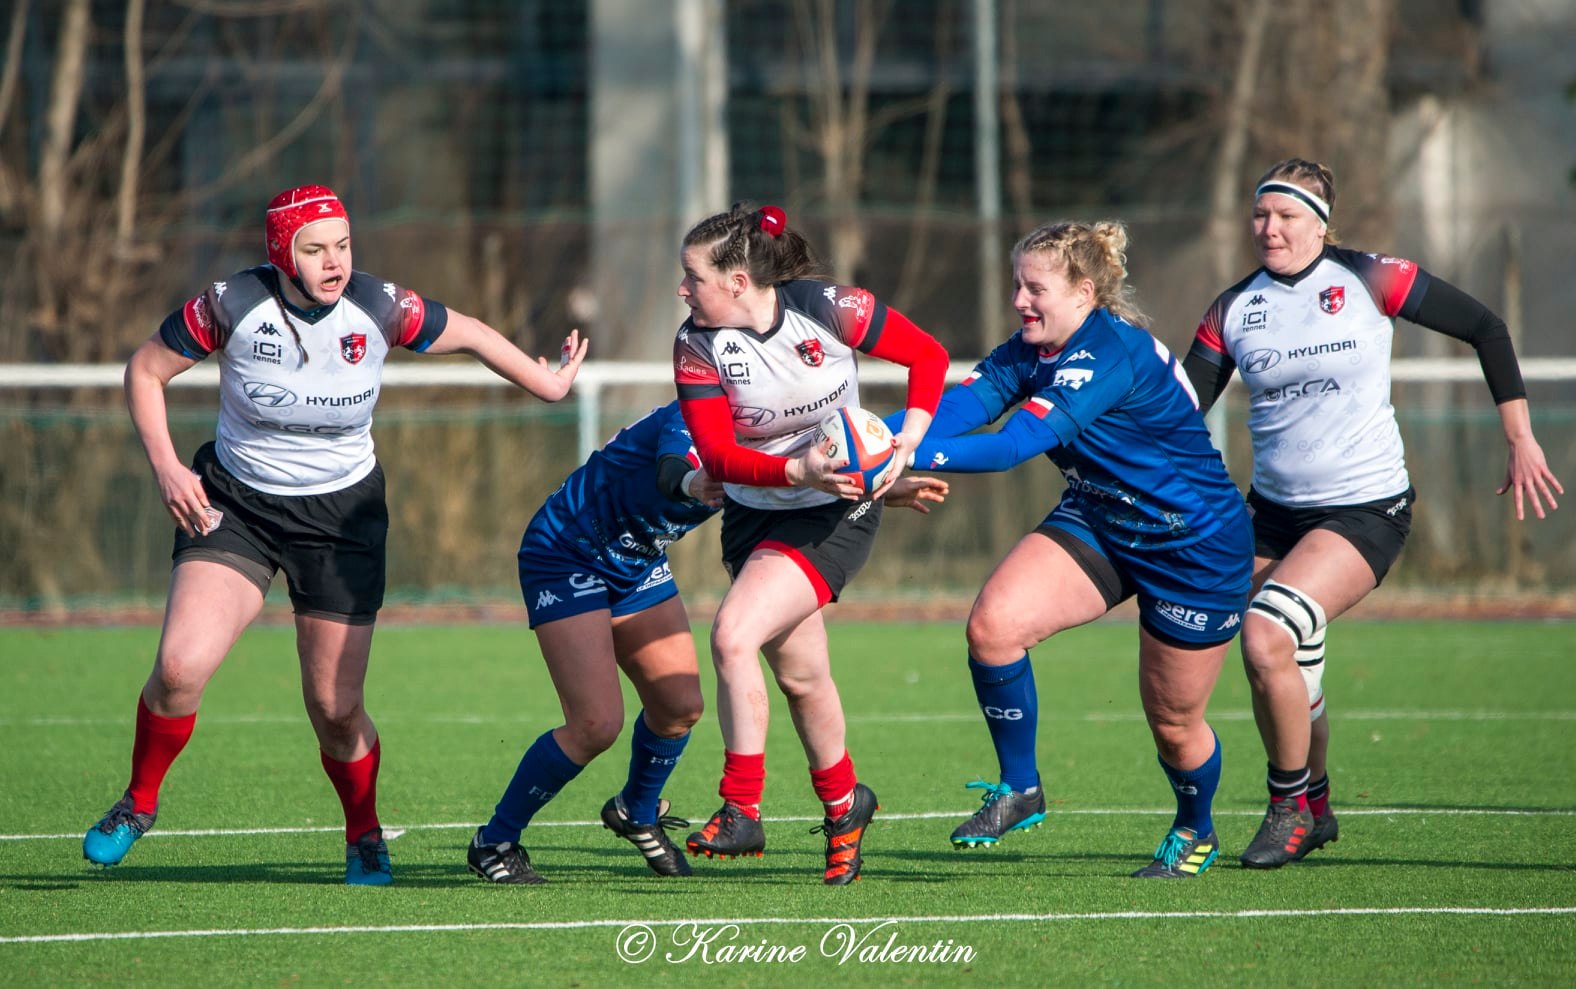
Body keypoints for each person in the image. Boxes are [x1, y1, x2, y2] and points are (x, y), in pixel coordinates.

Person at [82, 184, 589, 885]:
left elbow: (468, 331)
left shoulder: (380, 306)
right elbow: (145, 370)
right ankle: (138, 802)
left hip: (341, 521)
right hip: (238, 507)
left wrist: (547, 382)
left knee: (335, 706)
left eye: (343, 245)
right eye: (315, 248)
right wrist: (168, 467)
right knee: (178, 669)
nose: (334, 261)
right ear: (281, 253)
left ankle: (364, 834)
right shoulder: (231, 304)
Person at [1182, 157, 1564, 868]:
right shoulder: (1232, 309)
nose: (1269, 228)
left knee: (1266, 637)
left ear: (1321, 224)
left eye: (1287, 215)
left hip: (1366, 511)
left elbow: (1486, 326)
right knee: (1290, 664)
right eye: (1261, 215)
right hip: (1271, 516)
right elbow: (1179, 414)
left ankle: (1288, 807)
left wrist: (1519, 434)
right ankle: (1318, 805)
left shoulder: (1369, 278)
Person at [466, 401, 949, 884]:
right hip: (566, 552)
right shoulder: (697, 415)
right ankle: (495, 841)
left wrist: (880, 486)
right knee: (596, 724)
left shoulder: (774, 425)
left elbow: (803, 477)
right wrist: (691, 483)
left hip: (637, 561)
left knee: (679, 708)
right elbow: (674, 467)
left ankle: (636, 811)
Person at [903, 220, 1253, 878]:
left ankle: (1195, 827)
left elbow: (1009, 447)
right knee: (994, 626)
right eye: (1016, 285)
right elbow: (961, 409)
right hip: (1100, 518)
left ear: (1084, 293)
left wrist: (898, 451)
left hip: (1194, 544)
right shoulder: (1031, 349)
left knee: (1174, 722)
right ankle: (1020, 787)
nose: (1019, 300)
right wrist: (867, 434)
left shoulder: (1106, 356)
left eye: (1034, 288)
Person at [672, 202, 950, 884]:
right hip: (755, 514)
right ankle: (846, 804)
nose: (683, 291)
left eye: (693, 277)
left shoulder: (830, 309)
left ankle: (740, 807)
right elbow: (718, 455)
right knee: (801, 676)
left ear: (738, 280)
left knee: (733, 634)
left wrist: (901, 448)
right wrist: (798, 467)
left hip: (835, 512)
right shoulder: (698, 344)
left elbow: (928, 355)